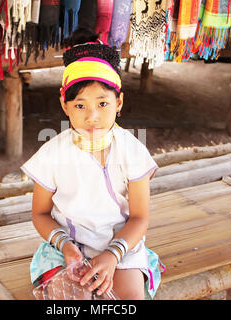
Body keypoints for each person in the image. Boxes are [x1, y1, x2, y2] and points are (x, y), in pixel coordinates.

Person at [21, 28, 165, 300]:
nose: (92, 117)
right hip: (66, 250)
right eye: (80, 106)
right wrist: (66, 247)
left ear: (118, 102)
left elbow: (139, 218)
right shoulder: (53, 153)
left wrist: (112, 255)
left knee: (128, 300)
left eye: (102, 103)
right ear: (65, 105)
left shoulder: (132, 151)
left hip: (121, 247)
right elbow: (40, 214)